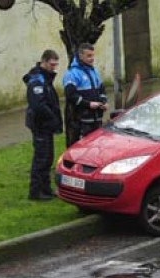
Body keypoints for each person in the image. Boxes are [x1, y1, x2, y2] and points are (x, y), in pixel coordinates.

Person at [23, 50, 64, 201]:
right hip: (40, 125)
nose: (54, 68)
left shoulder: (45, 79)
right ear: (44, 62)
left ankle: (45, 188)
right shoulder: (37, 81)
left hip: (46, 125)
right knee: (41, 158)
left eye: (56, 65)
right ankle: (36, 191)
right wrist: (52, 118)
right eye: (52, 65)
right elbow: (38, 105)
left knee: (48, 158)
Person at [62, 43, 108, 147]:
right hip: (81, 121)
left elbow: (102, 90)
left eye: (93, 55)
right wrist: (88, 104)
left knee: (96, 147)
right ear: (80, 56)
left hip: (97, 119)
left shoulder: (94, 71)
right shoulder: (71, 74)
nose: (92, 59)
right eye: (89, 56)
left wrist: (104, 102)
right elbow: (70, 95)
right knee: (83, 149)